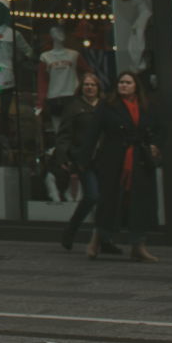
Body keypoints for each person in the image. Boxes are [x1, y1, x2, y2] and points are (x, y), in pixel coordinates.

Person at [82, 70, 164, 263]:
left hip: (140, 160)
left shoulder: (148, 107)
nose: (123, 86)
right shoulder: (108, 106)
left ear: (136, 86)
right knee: (110, 200)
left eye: (128, 82)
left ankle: (138, 246)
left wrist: (155, 145)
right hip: (115, 158)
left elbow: (161, 128)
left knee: (140, 202)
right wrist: (84, 159)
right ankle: (97, 239)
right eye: (121, 82)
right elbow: (93, 132)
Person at [56, 71, 106, 252]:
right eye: (86, 85)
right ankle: (71, 229)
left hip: (105, 158)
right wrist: (62, 156)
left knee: (105, 200)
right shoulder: (74, 107)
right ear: (81, 87)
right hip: (84, 158)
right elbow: (64, 134)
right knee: (92, 196)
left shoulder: (105, 105)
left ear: (98, 87)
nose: (90, 88)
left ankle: (104, 239)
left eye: (93, 85)